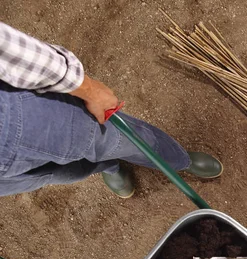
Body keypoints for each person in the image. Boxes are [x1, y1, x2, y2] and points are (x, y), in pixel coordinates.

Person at [0, 22, 222, 198]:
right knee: (58, 173)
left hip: (13, 120)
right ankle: (110, 167)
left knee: (112, 137)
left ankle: (177, 160)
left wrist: (83, 87)